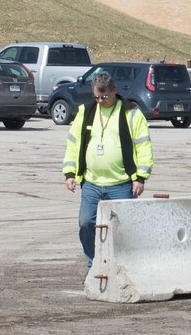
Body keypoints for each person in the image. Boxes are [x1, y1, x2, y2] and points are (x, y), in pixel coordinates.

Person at [63, 69, 153, 267]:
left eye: (104, 96)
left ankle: (125, 265)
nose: (100, 101)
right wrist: (70, 173)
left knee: (126, 228)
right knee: (86, 223)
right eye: (96, 97)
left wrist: (140, 177)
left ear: (114, 91)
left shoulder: (131, 113)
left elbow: (143, 145)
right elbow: (73, 143)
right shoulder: (85, 112)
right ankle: (93, 264)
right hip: (91, 183)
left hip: (121, 184)